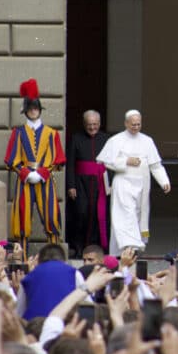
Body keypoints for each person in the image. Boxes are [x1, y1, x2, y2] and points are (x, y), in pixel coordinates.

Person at [96, 110, 170, 253]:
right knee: (125, 214)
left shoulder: (147, 141)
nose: (136, 127)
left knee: (137, 215)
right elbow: (105, 162)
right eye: (133, 124)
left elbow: (155, 165)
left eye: (138, 124)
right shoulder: (116, 140)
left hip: (142, 184)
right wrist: (126, 161)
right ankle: (130, 245)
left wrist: (164, 181)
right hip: (123, 183)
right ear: (126, 123)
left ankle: (130, 249)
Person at [5, 78, 65, 252]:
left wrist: (43, 173)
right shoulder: (18, 132)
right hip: (24, 180)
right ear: (26, 111)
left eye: (36, 108)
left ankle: (54, 257)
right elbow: (12, 159)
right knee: (22, 220)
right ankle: (22, 260)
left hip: (45, 179)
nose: (33, 111)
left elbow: (57, 159)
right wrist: (25, 173)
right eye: (30, 109)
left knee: (51, 218)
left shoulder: (52, 133)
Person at [65, 109, 111, 256]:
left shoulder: (106, 139)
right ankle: (79, 247)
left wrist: (110, 184)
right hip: (80, 183)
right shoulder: (76, 138)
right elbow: (70, 163)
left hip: (99, 184)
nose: (92, 127)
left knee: (98, 214)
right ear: (84, 124)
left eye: (95, 124)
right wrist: (71, 185)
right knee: (81, 213)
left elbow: (111, 163)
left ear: (99, 123)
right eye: (89, 124)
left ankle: (95, 247)